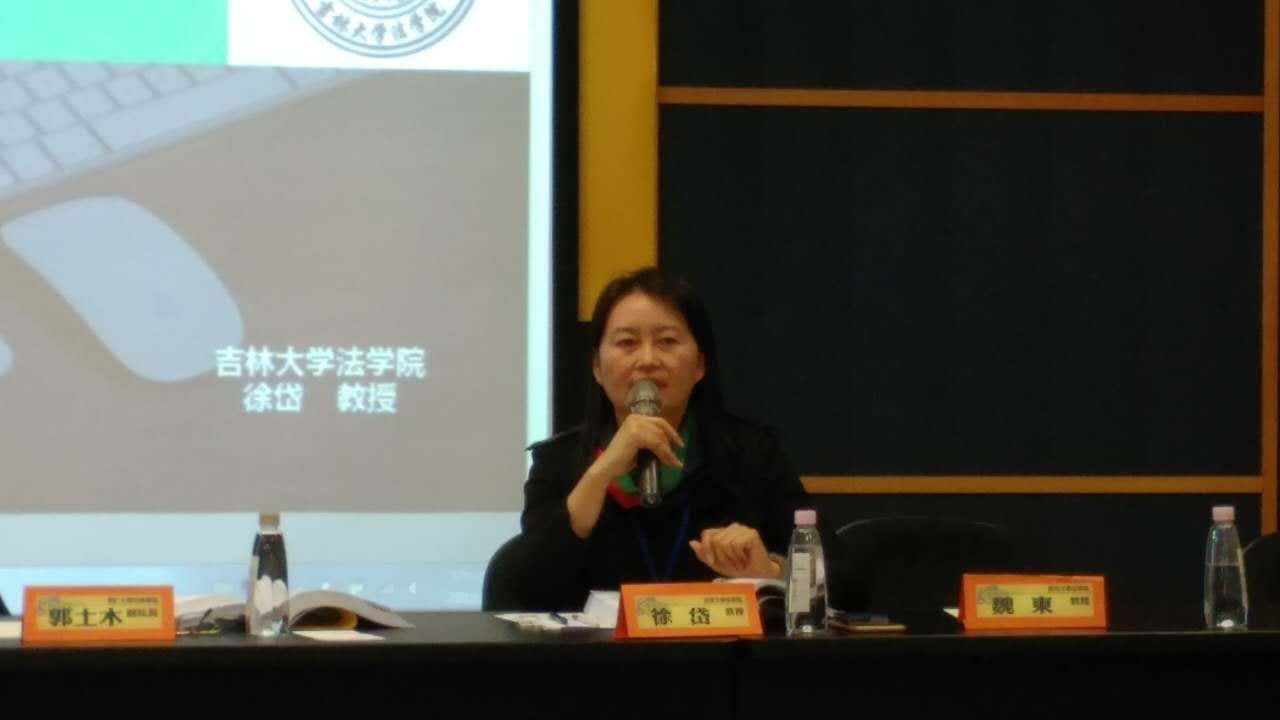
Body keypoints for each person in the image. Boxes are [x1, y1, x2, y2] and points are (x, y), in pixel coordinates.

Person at [508, 267, 809, 611]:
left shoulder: (751, 455)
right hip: (595, 647)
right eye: (627, 343)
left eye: (667, 341)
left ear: (700, 365)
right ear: (597, 368)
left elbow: (841, 577)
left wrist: (770, 571)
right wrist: (600, 473)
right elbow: (523, 588)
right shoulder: (558, 461)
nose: (647, 361)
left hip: (719, 645)